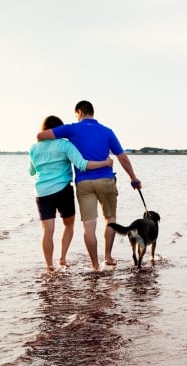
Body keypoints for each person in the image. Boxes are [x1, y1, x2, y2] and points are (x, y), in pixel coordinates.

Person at [36, 100, 142, 271]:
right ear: (92, 112)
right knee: (110, 219)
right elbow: (122, 157)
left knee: (89, 226)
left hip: (83, 183)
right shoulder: (107, 131)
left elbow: (41, 136)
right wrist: (133, 178)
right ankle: (107, 257)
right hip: (106, 180)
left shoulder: (71, 128)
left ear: (79, 112)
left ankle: (94, 265)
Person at [29, 115, 115, 274]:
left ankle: (49, 267)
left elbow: (31, 171)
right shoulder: (64, 145)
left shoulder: (34, 148)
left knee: (47, 231)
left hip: (42, 192)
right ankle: (62, 258)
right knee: (68, 225)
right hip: (62, 190)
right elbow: (82, 164)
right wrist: (106, 162)